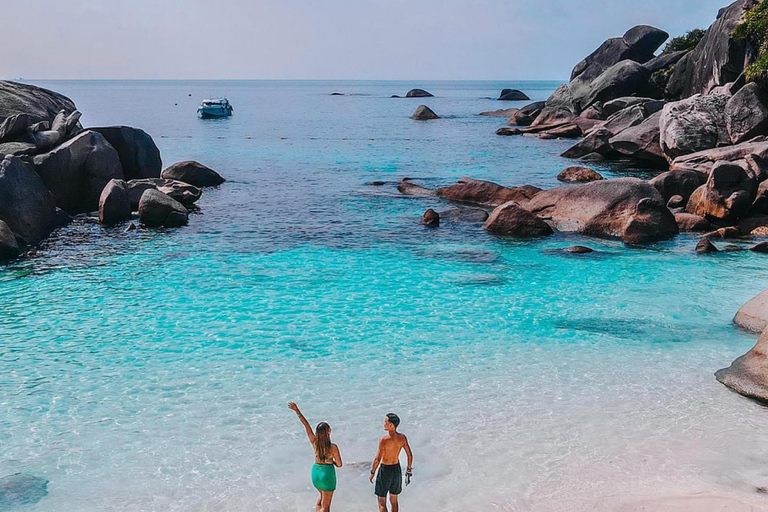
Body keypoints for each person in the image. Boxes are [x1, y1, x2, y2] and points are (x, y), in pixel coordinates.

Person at [288, 402, 343, 512]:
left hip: (316, 474)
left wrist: (297, 410)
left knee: (322, 498)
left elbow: (306, 425)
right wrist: (333, 463)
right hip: (327, 476)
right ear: (328, 431)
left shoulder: (314, 442)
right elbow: (340, 464)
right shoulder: (333, 447)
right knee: (326, 507)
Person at [369, 413, 413, 512]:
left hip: (385, 469)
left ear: (391, 425)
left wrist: (372, 473)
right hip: (396, 470)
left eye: (385, 422)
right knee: (394, 500)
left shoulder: (384, 439)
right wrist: (409, 470)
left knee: (382, 501)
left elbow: (377, 459)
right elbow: (410, 455)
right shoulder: (402, 438)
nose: (384, 424)